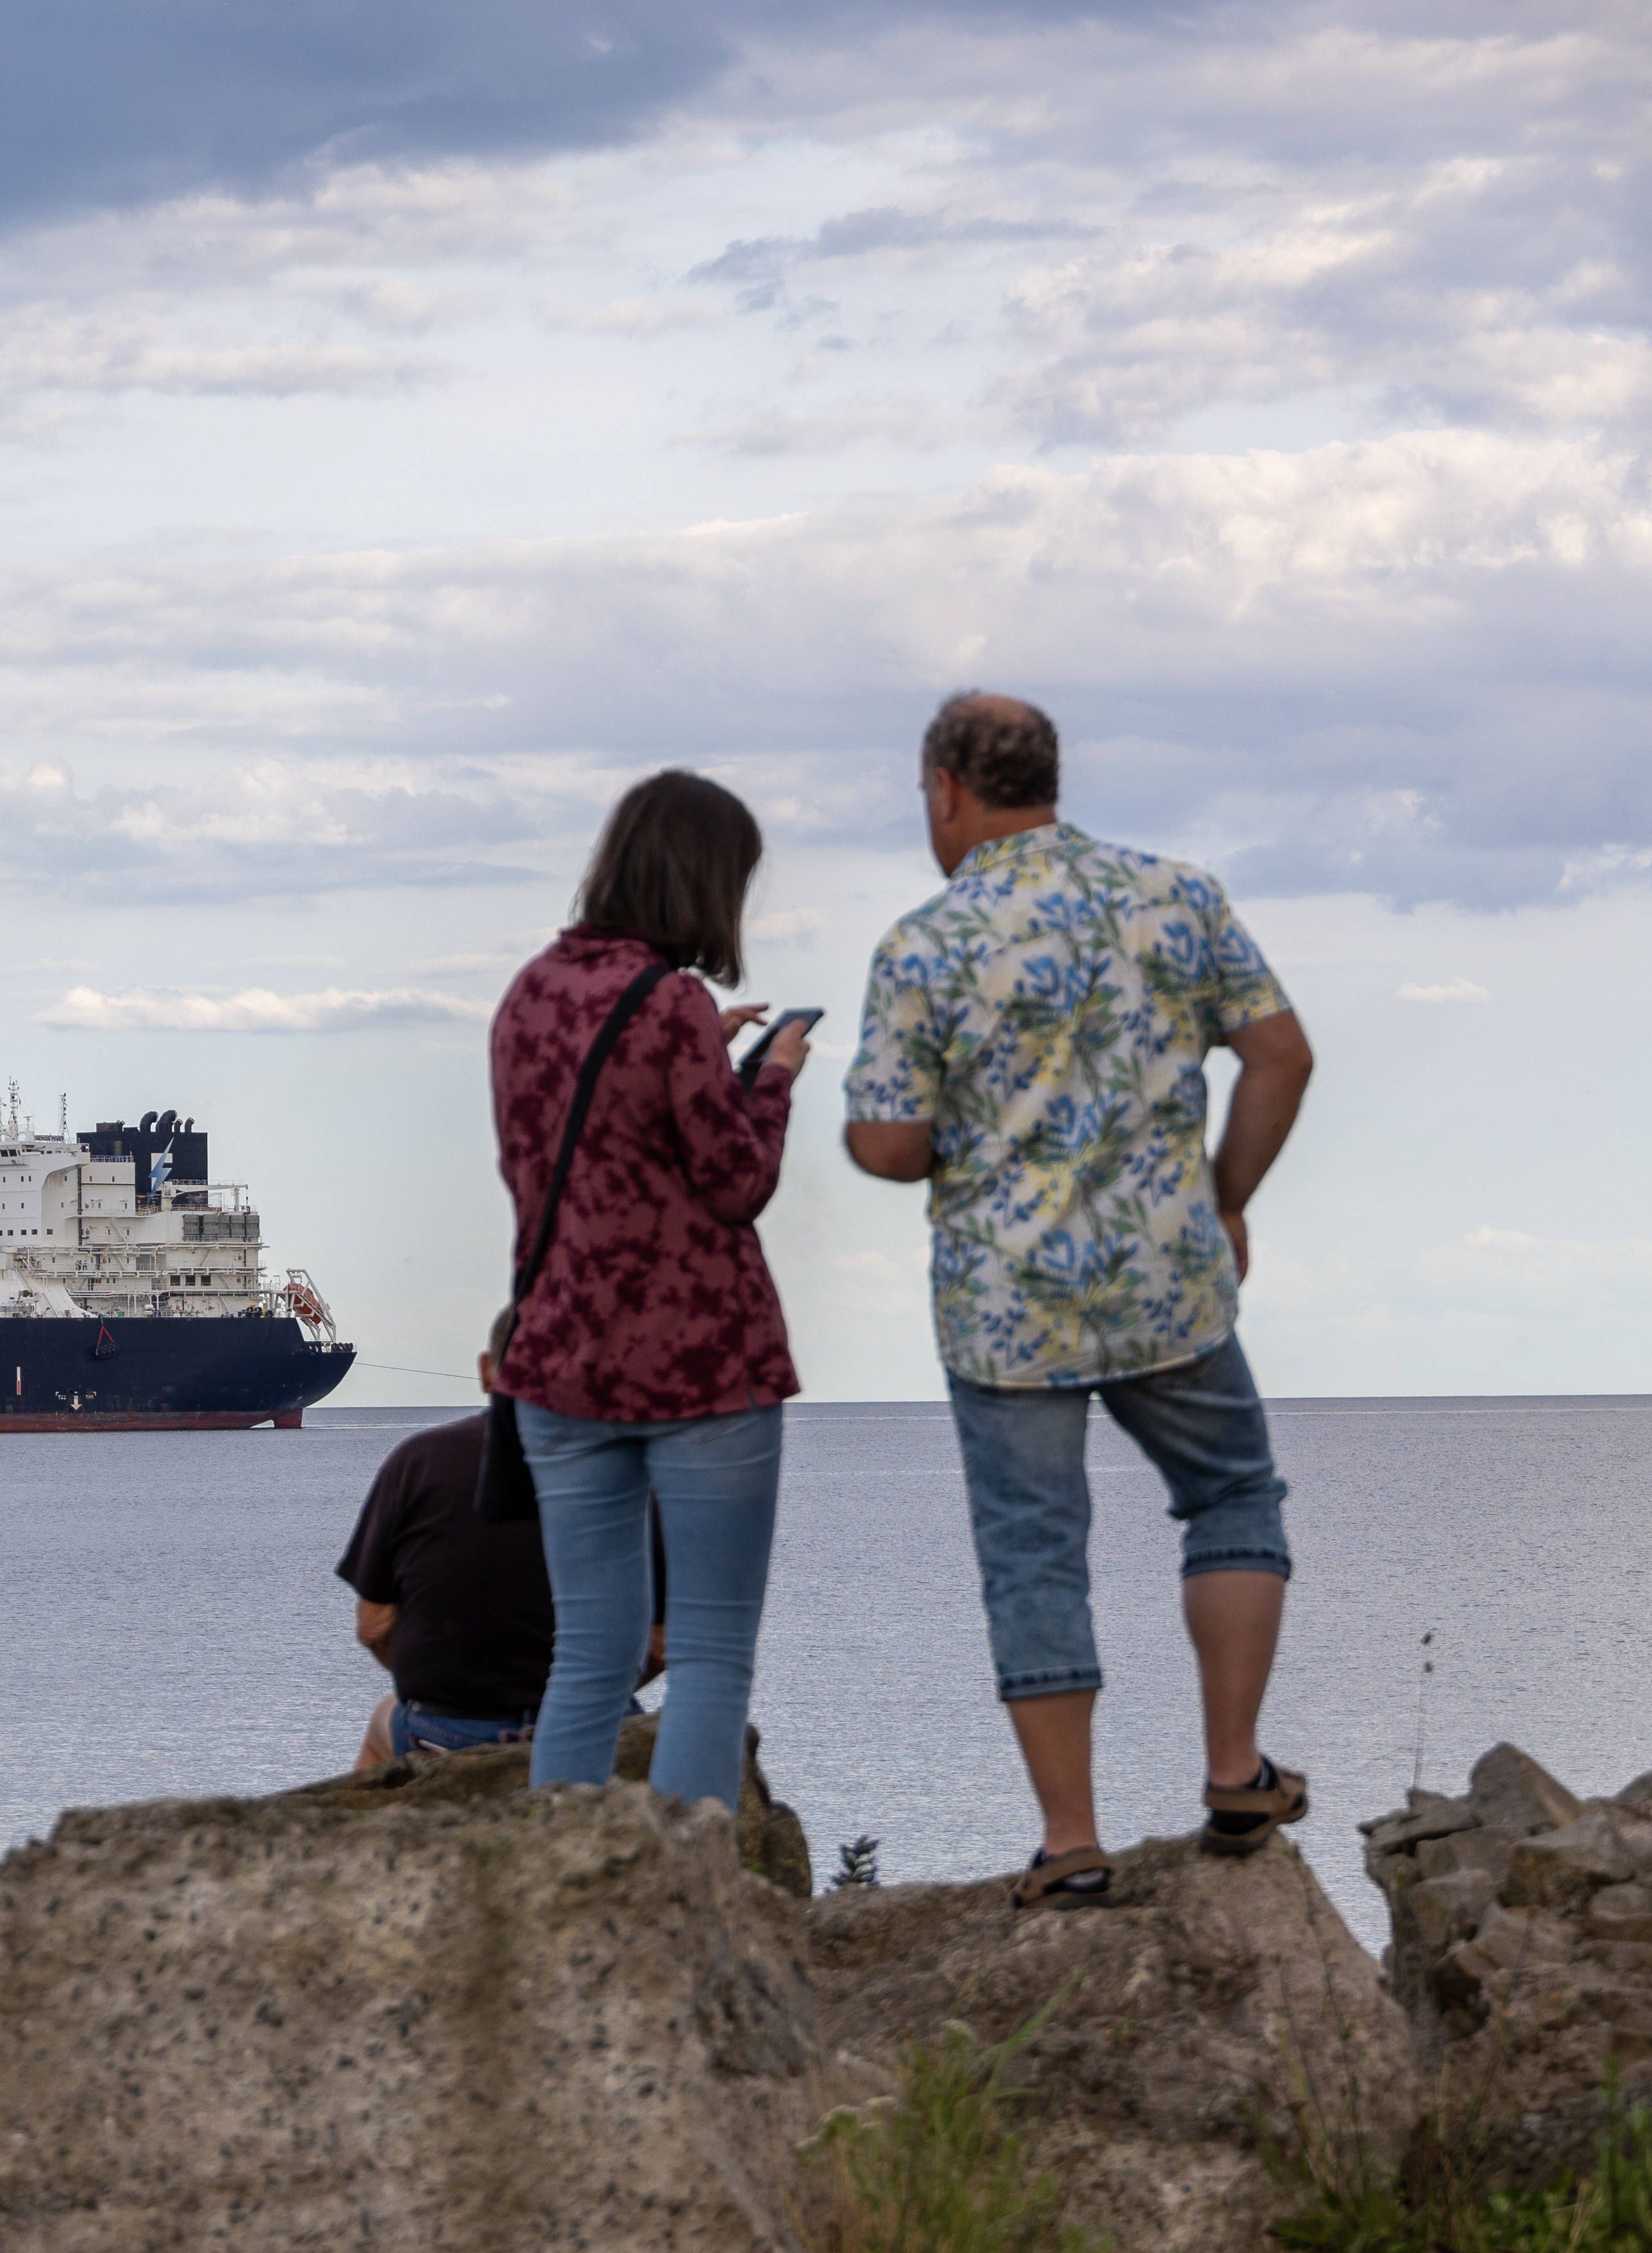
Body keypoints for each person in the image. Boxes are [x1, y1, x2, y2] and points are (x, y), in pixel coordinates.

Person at [843, 692, 1313, 1912]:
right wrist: (1224, 1197)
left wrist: (938, 1140)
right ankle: (1233, 1769)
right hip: (1169, 1281)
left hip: (1008, 1309)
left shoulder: (926, 945)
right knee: (1231, 1495)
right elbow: (1281, 1054)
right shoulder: (1179, 895)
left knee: (1034, 1557)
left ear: (948, 788)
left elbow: (890, 1145)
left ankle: (1072, 1843)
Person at [488, 770, 806, 1814]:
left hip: (559, 1364)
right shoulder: (671, 1003)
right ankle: (685, 1900)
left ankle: (562, 1892)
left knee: (588, 1653)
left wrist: (700, 1058)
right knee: (711, 1651)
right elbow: (733, 1182)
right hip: (699, 1365)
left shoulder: (528, 995)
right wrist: (767, 1082)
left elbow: (569, 1152)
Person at [335, 1410, 664, 1766]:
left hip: (449, 1734)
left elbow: (373, 1627)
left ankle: (367, 1819)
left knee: (385, 1721)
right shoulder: (636, 1465)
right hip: (596, 1727)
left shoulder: (418, 1458)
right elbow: (662, 1644)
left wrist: (446, 1685)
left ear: (488, 1373)